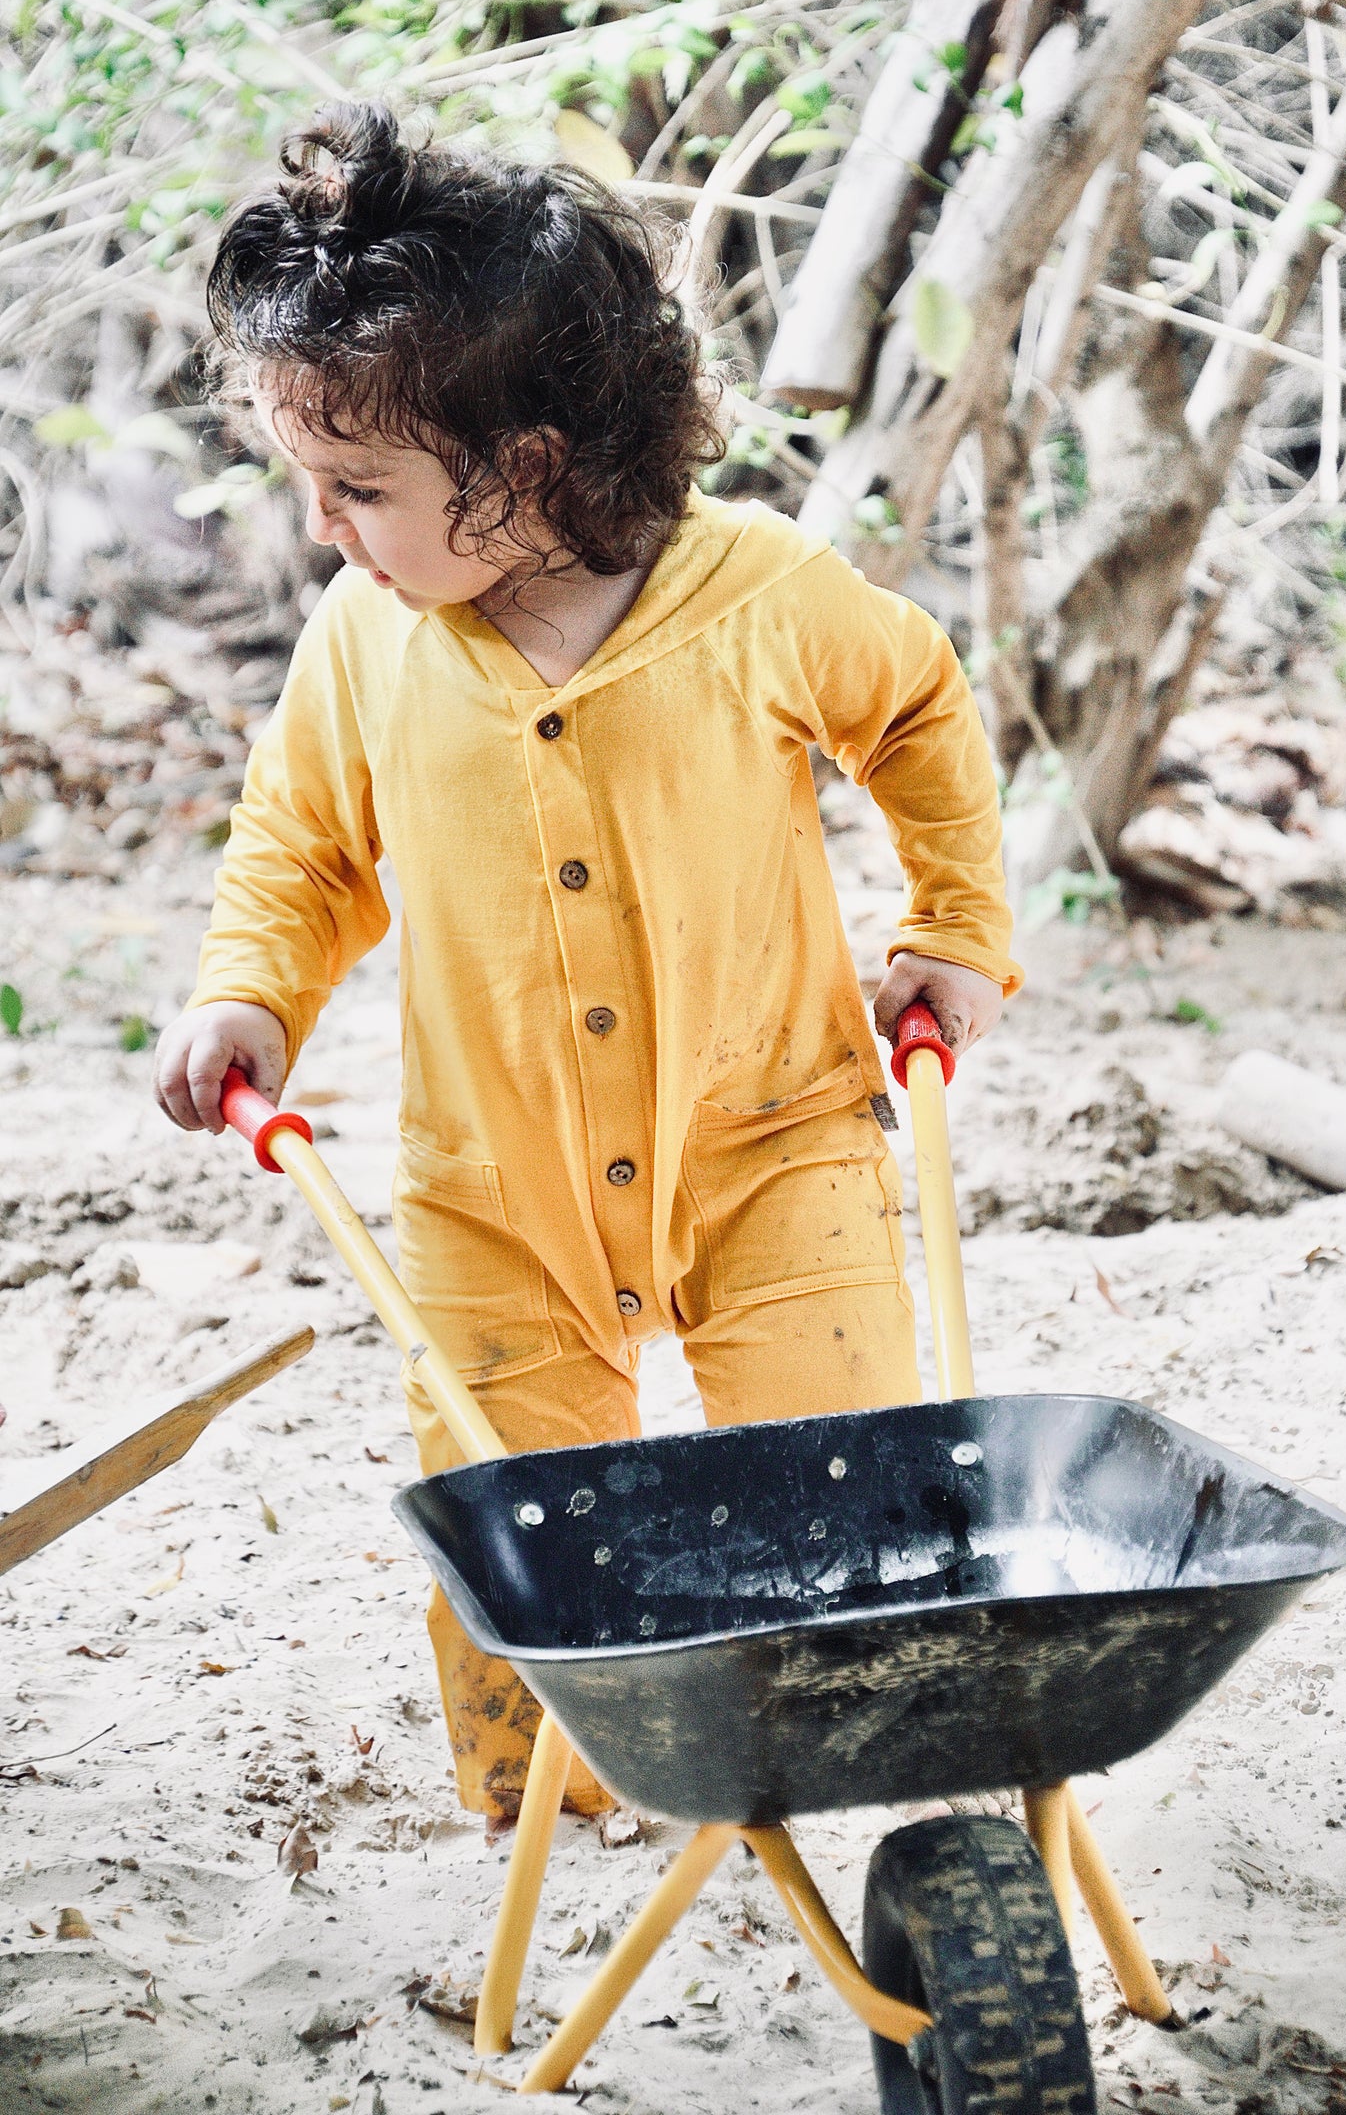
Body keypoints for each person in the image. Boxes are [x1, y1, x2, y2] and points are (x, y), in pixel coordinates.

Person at [153, 101, 1022, 1823]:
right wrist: (251, 987)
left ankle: (844, 1754)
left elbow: (920, 711)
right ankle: (550, 1792)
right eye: (308, 482)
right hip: (493, 1191)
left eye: (361, 487)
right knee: (515, 1522)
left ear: (530, 465)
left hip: (777, 1142)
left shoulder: (758, 595)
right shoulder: (365, 641)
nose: (324, 525)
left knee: (842, 1486)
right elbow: (307, 847)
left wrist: (953, 926)